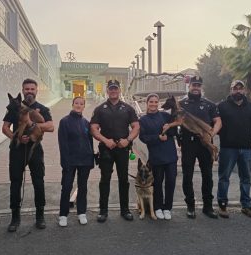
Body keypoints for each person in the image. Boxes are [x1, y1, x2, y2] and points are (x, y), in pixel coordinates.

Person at [2, 78, 54, 232]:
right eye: (27, 89)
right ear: (22, 90)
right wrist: (16, 137)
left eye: (32, 89)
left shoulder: (42, 108)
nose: (29, 92)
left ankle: (40, 216)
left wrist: (32, 125)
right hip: (17, 150)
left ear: (37, 91)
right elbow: (5, 128)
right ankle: (15, 218)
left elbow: (50, 126)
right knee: (15, 183)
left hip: (35, 149)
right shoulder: (14, 106)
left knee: (38, 182)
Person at [90, 80, 140, 222]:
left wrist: (128, 140)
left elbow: (136, 127)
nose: (113, 91)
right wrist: (106, 141)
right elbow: (93, 128)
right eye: (111, 89)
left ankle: (125, 210)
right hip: (106, 149)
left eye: (115, 89)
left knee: (124, 180)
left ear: (119, 90)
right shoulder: (100, 109)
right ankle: (103, 211)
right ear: (107, 90)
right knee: (105, 180)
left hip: (122, 148)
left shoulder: (128, 108)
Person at [179, 75, 222, 219]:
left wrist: (211, 134)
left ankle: (208, 207)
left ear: (201, 87)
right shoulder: (181, 104)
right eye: (193, 85)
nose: (196, 88)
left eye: (198, 85)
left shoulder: (209, 104)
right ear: (189, 86)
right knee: (187, 176)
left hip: (204, 145)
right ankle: (190, 206)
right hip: (188, 143)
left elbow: (218, 122)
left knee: (207, 175)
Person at [216, 80, 251, 219]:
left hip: (246, 148)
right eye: (235, 89)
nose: (238, 91)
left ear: (244, 90)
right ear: (231, 90)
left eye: (240, 89)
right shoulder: (222, 107)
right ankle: (222, 205)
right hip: (228, 148)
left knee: (246, 179)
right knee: (224, 178)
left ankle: (246, 206)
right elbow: (217, 125)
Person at [139, 93, 178, 220]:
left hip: (170, 155)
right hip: (156, 156)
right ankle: (158, 207)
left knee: (171, 182)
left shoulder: (165, 116)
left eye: (156, 102)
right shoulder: (143, 120)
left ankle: (168, 208)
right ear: (147, 103)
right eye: (151, 102)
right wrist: (157, 137)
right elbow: (143, 137)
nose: (154, 104)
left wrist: (169, 129)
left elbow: (174, 131)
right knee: (157, 183)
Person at [58, 97, 94, 227]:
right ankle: (63, 214)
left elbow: (90, 142)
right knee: (66, 187)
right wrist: (65, 162)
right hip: (70, 161)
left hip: (85, 160)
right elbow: (62, 144)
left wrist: (91, 160)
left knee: (82, 187)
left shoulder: (86, 122)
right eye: (76, 103)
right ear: (72, 104)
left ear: (84, 106)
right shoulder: (64, 122)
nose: (79, 105)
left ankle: (81, 212)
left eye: (81, 104)